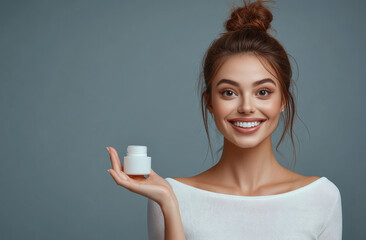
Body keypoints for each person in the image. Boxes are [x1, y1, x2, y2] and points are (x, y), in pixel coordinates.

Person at [107, 0, 342, 239]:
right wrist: (168, 203)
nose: (247, 107)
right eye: (229, 92)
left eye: (263, 92)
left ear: (283, 100)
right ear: (210, 102)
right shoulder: (169, 195)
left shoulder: (322, 198)